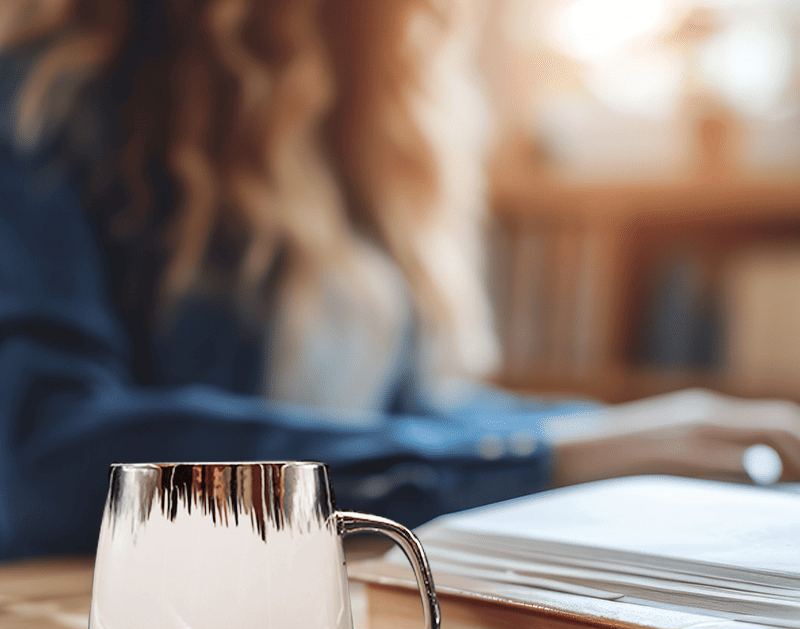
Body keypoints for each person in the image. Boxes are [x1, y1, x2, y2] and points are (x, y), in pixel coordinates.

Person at [1, 0, 799, 560]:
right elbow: (48, 462)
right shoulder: (46, 102)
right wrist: (541, 454)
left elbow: (393, 420)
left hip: (345, 606)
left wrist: (649, 437)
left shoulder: (354, 132)